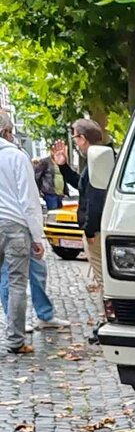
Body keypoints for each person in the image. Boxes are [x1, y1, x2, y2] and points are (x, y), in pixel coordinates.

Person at [0, 110, 46, 353]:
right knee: (18, 283)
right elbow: (29, 200)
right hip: (14, 225)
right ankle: (15, 341)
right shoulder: (17, 157)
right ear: (7, 132)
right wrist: (37, 237)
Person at [52, 120, 107, 288]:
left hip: (96, 232)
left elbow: (96, 198)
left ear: (82, 138)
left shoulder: (97, 161)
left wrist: (90, 230)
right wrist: (64, 167)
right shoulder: (98, 159)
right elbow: (82, 186)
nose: (75, 143)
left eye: (75, 137)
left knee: (103, 278)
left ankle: (110, 313)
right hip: (97, 229)